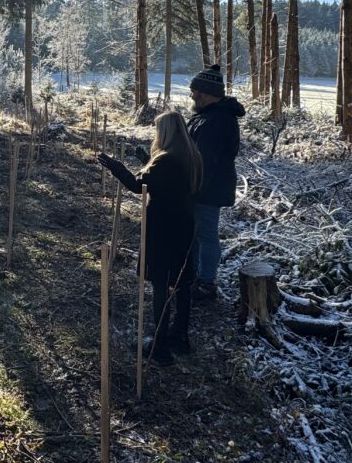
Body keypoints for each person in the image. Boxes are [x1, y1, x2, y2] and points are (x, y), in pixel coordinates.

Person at [99, 111, 203, 366]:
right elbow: (166, 181)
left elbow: (139, 185)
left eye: (158, 130)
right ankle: (180, 337)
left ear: (165, 132)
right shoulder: (190, 155)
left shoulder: (166, 160)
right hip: (185, 224)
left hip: (163, 227)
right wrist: (146, 159)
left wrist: (116, 166)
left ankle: (159, 344)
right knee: (180, 281)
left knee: (160, 282)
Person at [186, 64, 246, 301]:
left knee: (206, 234)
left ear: (206, 92)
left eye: (195, 91)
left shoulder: (218, 120)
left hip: (207, 188)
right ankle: (195, 276)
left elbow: (205, 159)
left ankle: (206, 283)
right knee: (197, 234)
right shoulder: (208, 117)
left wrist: (193, 186)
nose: (192, 95)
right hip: (202, 185)